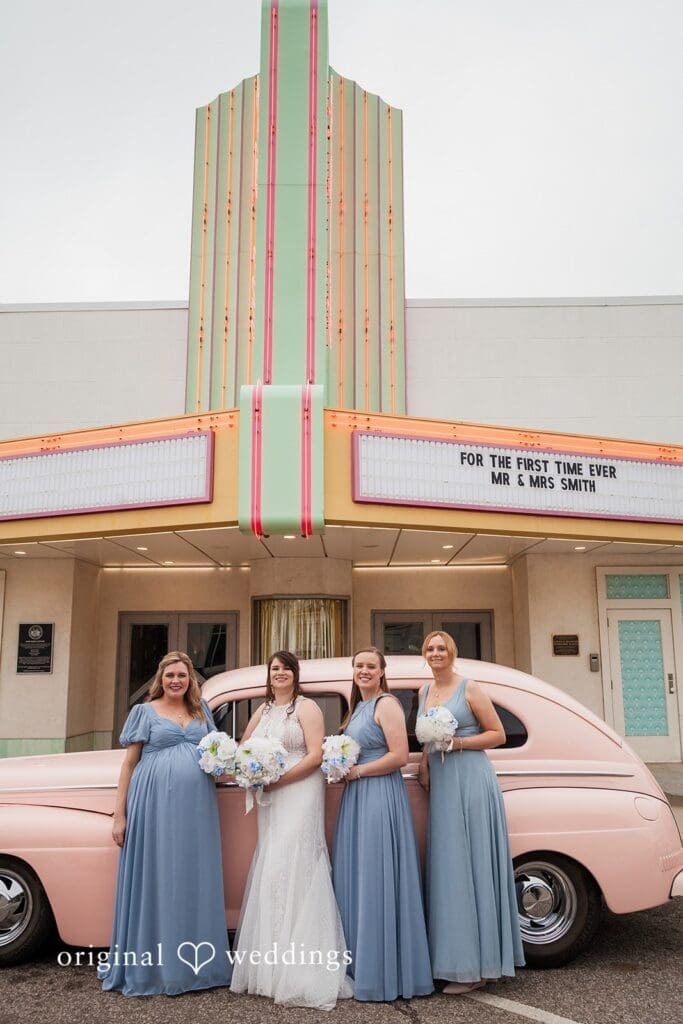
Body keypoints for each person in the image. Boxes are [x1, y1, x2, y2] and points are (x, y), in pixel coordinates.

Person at [99, 651, 231, 996]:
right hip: (153, 805)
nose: (176, 681)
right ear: (161, 678)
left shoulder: (201, 712)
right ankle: (154, 967)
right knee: (158, 874)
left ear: (191, 680)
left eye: (182, 676)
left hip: (197, 808)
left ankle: (195, 966)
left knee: (192, 874)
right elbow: (129, 764)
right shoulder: (144, 711)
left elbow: (215, 757)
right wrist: (119, 812)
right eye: (170, 675)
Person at [230, 650, 352, 1010]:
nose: (279, 673)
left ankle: (301, 966)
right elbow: (242, 748)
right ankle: (269, 968)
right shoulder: (262, 710)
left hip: (299, 790)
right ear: (268, 676)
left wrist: (277, 780)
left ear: (295, 675)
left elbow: (315, 755)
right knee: (273, 867)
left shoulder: (307, 708)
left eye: (285, 668)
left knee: (296, 862)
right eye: (274, 669)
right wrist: (251, 769)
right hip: (270, 796)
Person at [418, 631, 524, 993]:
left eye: (442, 648)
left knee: (471, 867)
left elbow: (496, 734)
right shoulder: (423, 692)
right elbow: (426, 737)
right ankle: (454, 959)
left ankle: (478, 968)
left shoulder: (470, 688)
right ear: (424, 654)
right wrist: (425, 763)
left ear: (452, 651)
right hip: (444, 784)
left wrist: (457, 741)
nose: (436, 653)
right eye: (430, 648)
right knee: (450, 869)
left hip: (471, 780)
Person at [332, 648, 434, 1002]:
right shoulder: (357, 705)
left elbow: (399, 756)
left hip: (377, 794)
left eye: (370, 667)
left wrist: (356, 771)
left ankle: (384, 968)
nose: (363, 671)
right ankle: (361, 961)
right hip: (357, 796)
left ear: (381, 671)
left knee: (376, 875)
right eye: (358, 665)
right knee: (359, 874)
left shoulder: (385, 704)